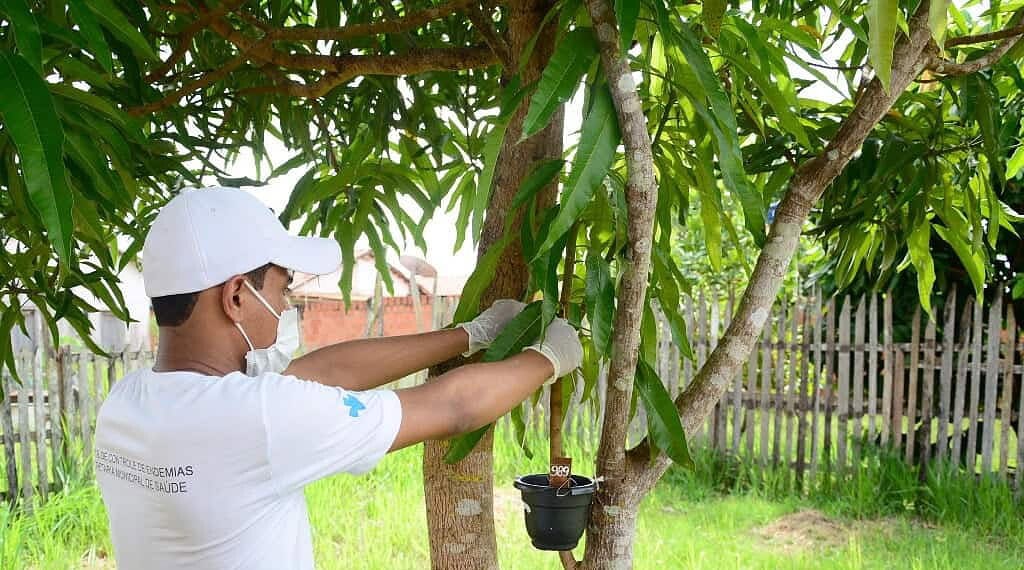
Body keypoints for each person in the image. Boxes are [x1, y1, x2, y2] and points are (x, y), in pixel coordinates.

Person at [94, 186, 583, 569]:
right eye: (283, 289)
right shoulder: (259, 418)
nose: (285, 306)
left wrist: (469, 334)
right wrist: (550, 356)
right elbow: (451, 408)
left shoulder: (125, 406)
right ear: (237, 296)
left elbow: (326, 372)